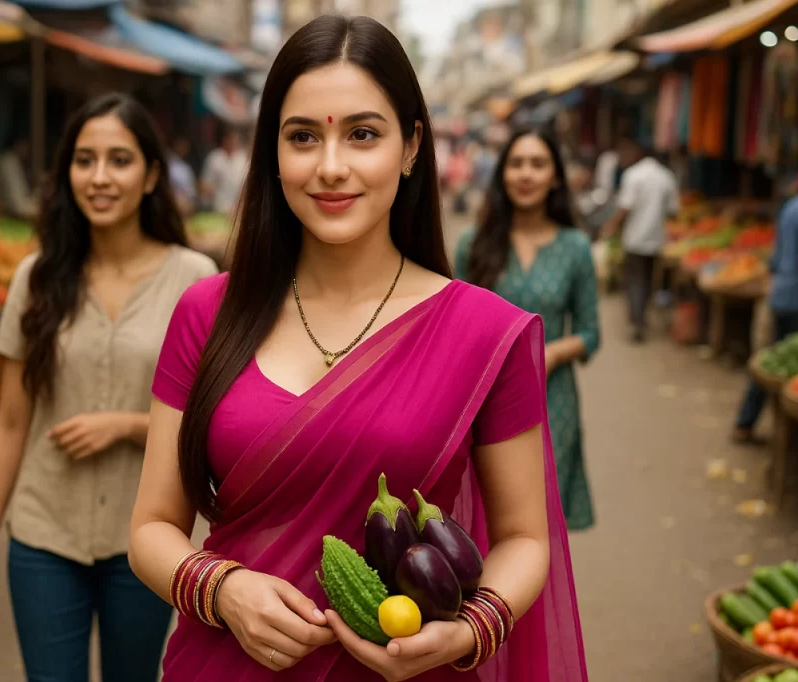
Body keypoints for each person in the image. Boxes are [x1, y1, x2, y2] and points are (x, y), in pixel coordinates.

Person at [128, 15, 587, 682]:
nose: (332, 167)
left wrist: (468, 630)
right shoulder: (208, 313)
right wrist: (221, 589)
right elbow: (150, 529)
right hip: (223, 662)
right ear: (272, 152)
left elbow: (523, 539)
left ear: (411, 148)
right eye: (303, 137)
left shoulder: (488, 334)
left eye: (363, 134)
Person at [0, 93, 219, 682]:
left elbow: (215, 420)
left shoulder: (194, 280)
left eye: (120, 160)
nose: (99, 177)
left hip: (147, 542)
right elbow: (8, 423)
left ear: (152, 174)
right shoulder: (37, 277)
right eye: (84, 160)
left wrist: (127, 426)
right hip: (43, 532)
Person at [456, 128, 601, 532]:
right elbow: (453, 323)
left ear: (555, 177)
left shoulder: (575, 248)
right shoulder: (474, 243)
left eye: (538, 164)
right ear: (502, 174)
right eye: (516, 163)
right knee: (483, 519)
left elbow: (591, 333)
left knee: (542, 522)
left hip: (553, 400)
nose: (526, 174)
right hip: (481, 397)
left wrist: (551, 353)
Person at [733, 165, 798, 443]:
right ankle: (788, 435)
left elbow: (778, 254)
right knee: (795, 366)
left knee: (774, 361)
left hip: (781, 292)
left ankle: (746, 422)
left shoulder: (792, 205)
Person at [602, 137, 679, 342]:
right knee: (647, 280)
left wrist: (612, 226)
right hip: (656, 240)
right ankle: (641, 318)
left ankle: (637, 322)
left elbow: (625, 208)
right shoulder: (667, 177)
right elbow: (673, 211)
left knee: (635, 281)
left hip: (635, 238)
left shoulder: (633, 175)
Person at [200, 127, 248, 215]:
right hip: (217, 209)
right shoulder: (214, 158)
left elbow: (246, 185)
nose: (233, 142)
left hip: (238, 210)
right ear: (224, 140)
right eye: (231, 139)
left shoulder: (242, 159)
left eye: (235, 140)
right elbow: (205, 185)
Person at [0, 136, 39, 220]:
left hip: (13, 214)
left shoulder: (10, 160)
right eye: (26, 146)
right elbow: (17, 205)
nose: (28, 151)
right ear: (18, 145)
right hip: (10, 217)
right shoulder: (8, 162)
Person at [168, 135, 198, 217]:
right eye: (181, 145)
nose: (184, 148)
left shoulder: (186, 167)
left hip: (188, 206)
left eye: (185, 146)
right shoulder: (169, 164)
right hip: (173, 205)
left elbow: (191, 190)